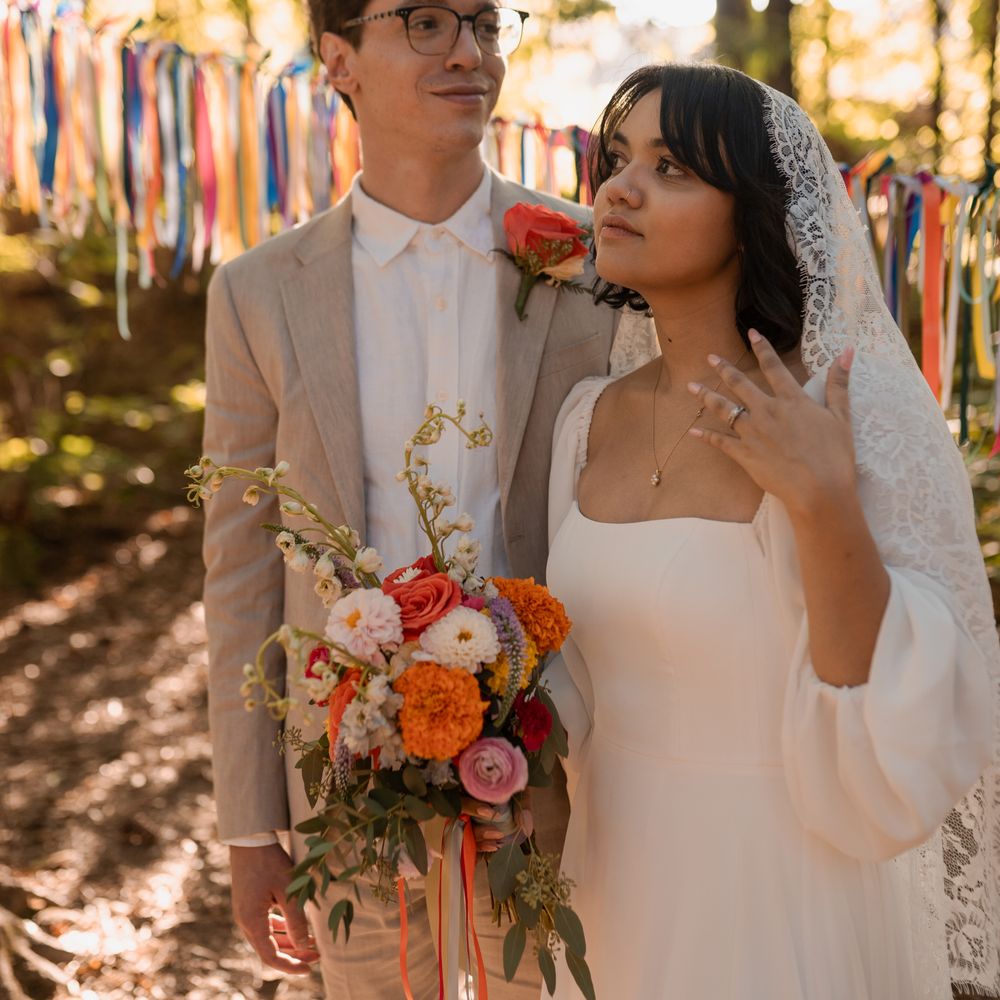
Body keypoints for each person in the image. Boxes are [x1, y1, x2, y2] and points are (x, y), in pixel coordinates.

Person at [200, 1, 655, 996]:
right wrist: (249, 826)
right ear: (338, 62)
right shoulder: (256, 291)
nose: (468, 53)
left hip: (557, 781)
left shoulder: (594, 261)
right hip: (349, 790)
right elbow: (239, 566)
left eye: (487, 22)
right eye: (424, 22)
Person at [544, 62, 1000, 999]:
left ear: (756, 213)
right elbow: (576, 682)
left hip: (772, 887)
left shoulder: (845, 404)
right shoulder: (586, 417)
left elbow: (897, 717)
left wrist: (824, 499)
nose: (620, 188)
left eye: (672, 169)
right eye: (619, 159)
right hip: (607, 881)